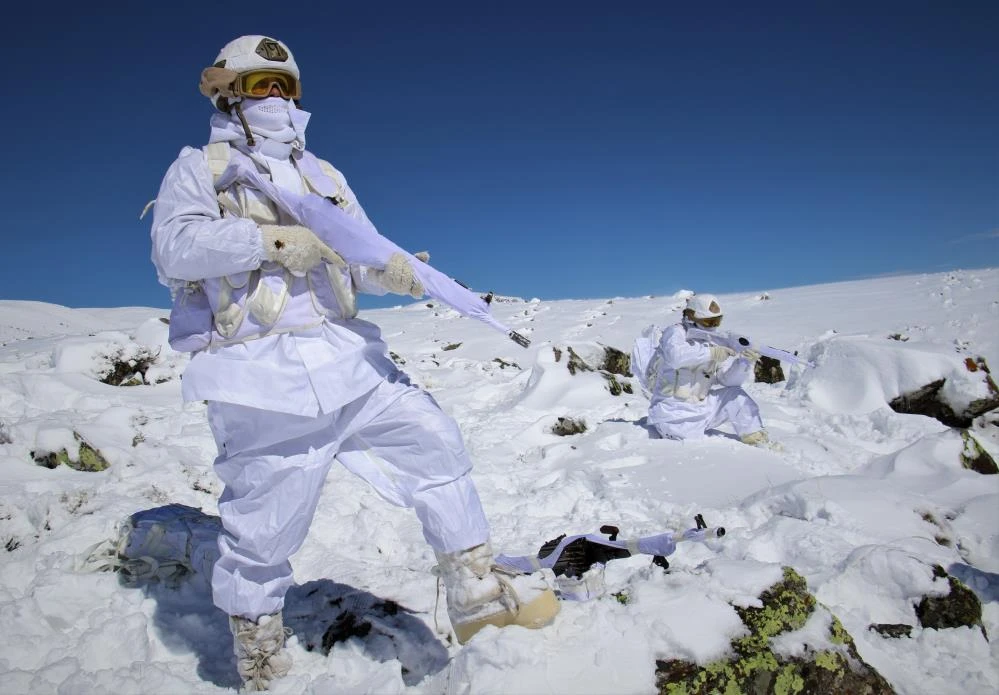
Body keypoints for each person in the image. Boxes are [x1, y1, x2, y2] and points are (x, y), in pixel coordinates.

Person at [149, 35, 557, 691]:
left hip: (349, 356)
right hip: (260, 373)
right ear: (228, 91)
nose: (277, 99)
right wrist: (270, 240)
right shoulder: (202, 167)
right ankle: (257, 650)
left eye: (286, 87)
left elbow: (357, 255)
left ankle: (477, 593)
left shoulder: (326, 176)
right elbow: (174, 248)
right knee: (267, 525)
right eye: (261, 86)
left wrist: (393, 270)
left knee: (435, 446)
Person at [644, 294, 774, 447]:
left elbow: (727, 380)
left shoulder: (713, 340)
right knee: (694, 447)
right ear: (692, 317)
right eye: (708, 321)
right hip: (672, 415)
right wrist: (712, 353)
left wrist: (744, 362)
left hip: (701, 410)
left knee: (736, 395)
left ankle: (757, 440)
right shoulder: (675, 333)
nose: (713, 326)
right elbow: (675, 357)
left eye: (716, 321)